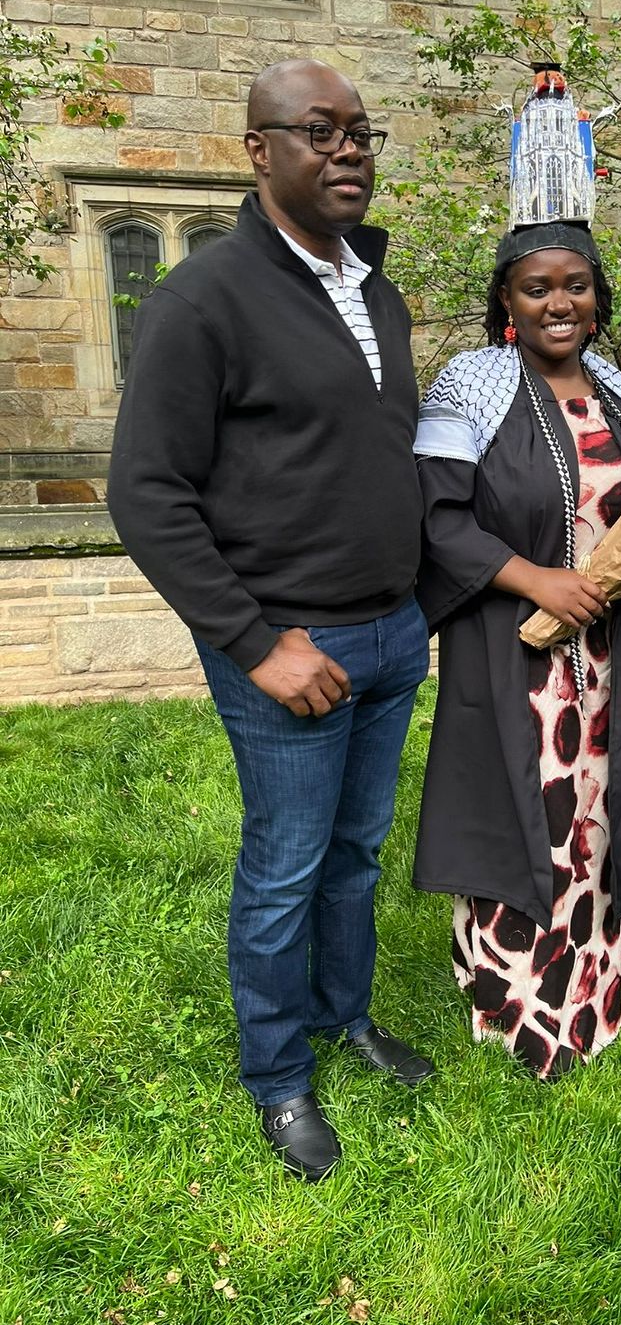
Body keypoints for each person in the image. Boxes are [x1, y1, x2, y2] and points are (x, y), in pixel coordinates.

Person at [108, 59, 433, 1184]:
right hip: (290, 646)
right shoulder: (204, 298)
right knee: (287, 865)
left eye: (361, 131)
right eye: (319, 131)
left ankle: (347, 1020)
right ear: (259, 149)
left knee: (356, 855)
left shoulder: (375, 291)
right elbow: (146, 492)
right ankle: (278, 1078)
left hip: (393, 634)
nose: (348, 150)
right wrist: (255, 644)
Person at [412, 221, 621, 1079]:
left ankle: (590, 995)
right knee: (522, 812)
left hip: (607, 658)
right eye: (536, 288)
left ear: (598, 300)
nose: (559, 301)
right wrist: (536, 579)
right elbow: (439, 516)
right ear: (507, 304)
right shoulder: (472, 384)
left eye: (576, 286)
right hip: (511, 655)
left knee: (596, 819)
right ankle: (515, 1009)